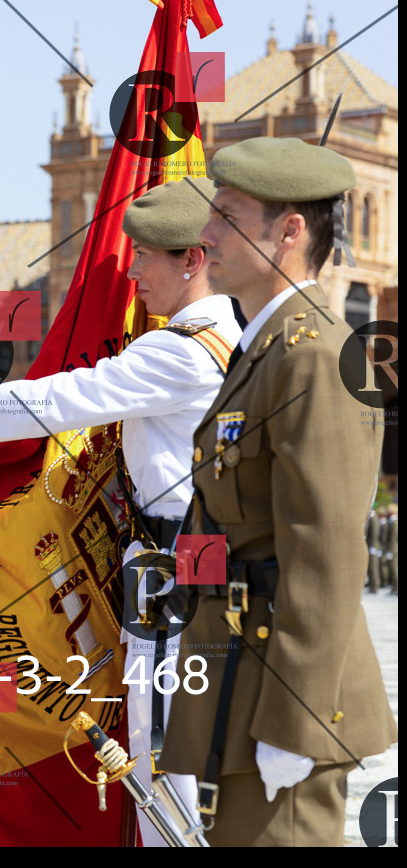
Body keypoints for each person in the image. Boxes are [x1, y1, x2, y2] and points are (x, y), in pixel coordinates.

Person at [0, 177, 240, 847]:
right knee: (180, 755)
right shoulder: (229, 336)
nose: (132, 271)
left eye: (147, 255)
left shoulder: (179, 349)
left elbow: (52, 402)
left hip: (173, 578)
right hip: (189, 567)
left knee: (163, 762)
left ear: (193, 260)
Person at [155, 137, 397, 846]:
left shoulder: (314, 357)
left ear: (288, 231)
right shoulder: (264, 348)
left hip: (282, 693)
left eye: (227, 216)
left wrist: (294, 722)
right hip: (238, 674)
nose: (205, 233)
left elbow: (324, 556)